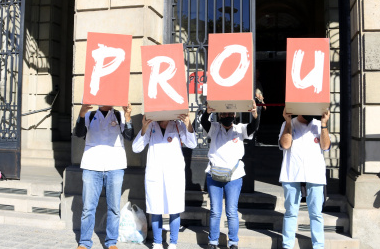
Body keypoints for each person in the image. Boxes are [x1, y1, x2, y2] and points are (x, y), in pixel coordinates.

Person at [132, 113, 197, 249]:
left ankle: (173, 243)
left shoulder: (178, 125)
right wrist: (144, 128)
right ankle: (157, 242)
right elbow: (136, 148)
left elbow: (192, 144)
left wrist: (188, 125)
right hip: (155, 173)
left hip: (174, 174)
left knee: (174, 208)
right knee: (156, 208)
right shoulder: (151, 125)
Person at [74, 104, 134, 249]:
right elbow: (79, 133)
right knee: (88, 207)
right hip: (91, 165)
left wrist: (128, 117)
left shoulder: (119, 114)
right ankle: (84, 242)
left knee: (113, 207)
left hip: (115, 165)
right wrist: (82, 113)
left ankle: (111, 242)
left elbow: (129, 136)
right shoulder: (89, 114)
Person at [200, 102, 259, 249]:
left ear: (235, 115)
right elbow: (202, 121)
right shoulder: (214, 128)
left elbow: (253, 127)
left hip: (234, 176)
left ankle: (233, 242)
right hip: (214, 175)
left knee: (231, 211)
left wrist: (255, 115)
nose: (227, 116)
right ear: (219, 115)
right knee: (215, 211)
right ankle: (213, 241)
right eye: (224, 114)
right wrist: (207, 112)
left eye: (230, 114)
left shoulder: (240, 129)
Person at [278, 108, 330, 249]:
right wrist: (288, 122)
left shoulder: (319, 125)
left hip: (315, 174)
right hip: (291, 173)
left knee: (316, 214)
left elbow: (325, 146)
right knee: (290, 213)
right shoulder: (288, 124)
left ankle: (318, 246)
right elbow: (285, 144)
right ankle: (287, 245)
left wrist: (324, 123)